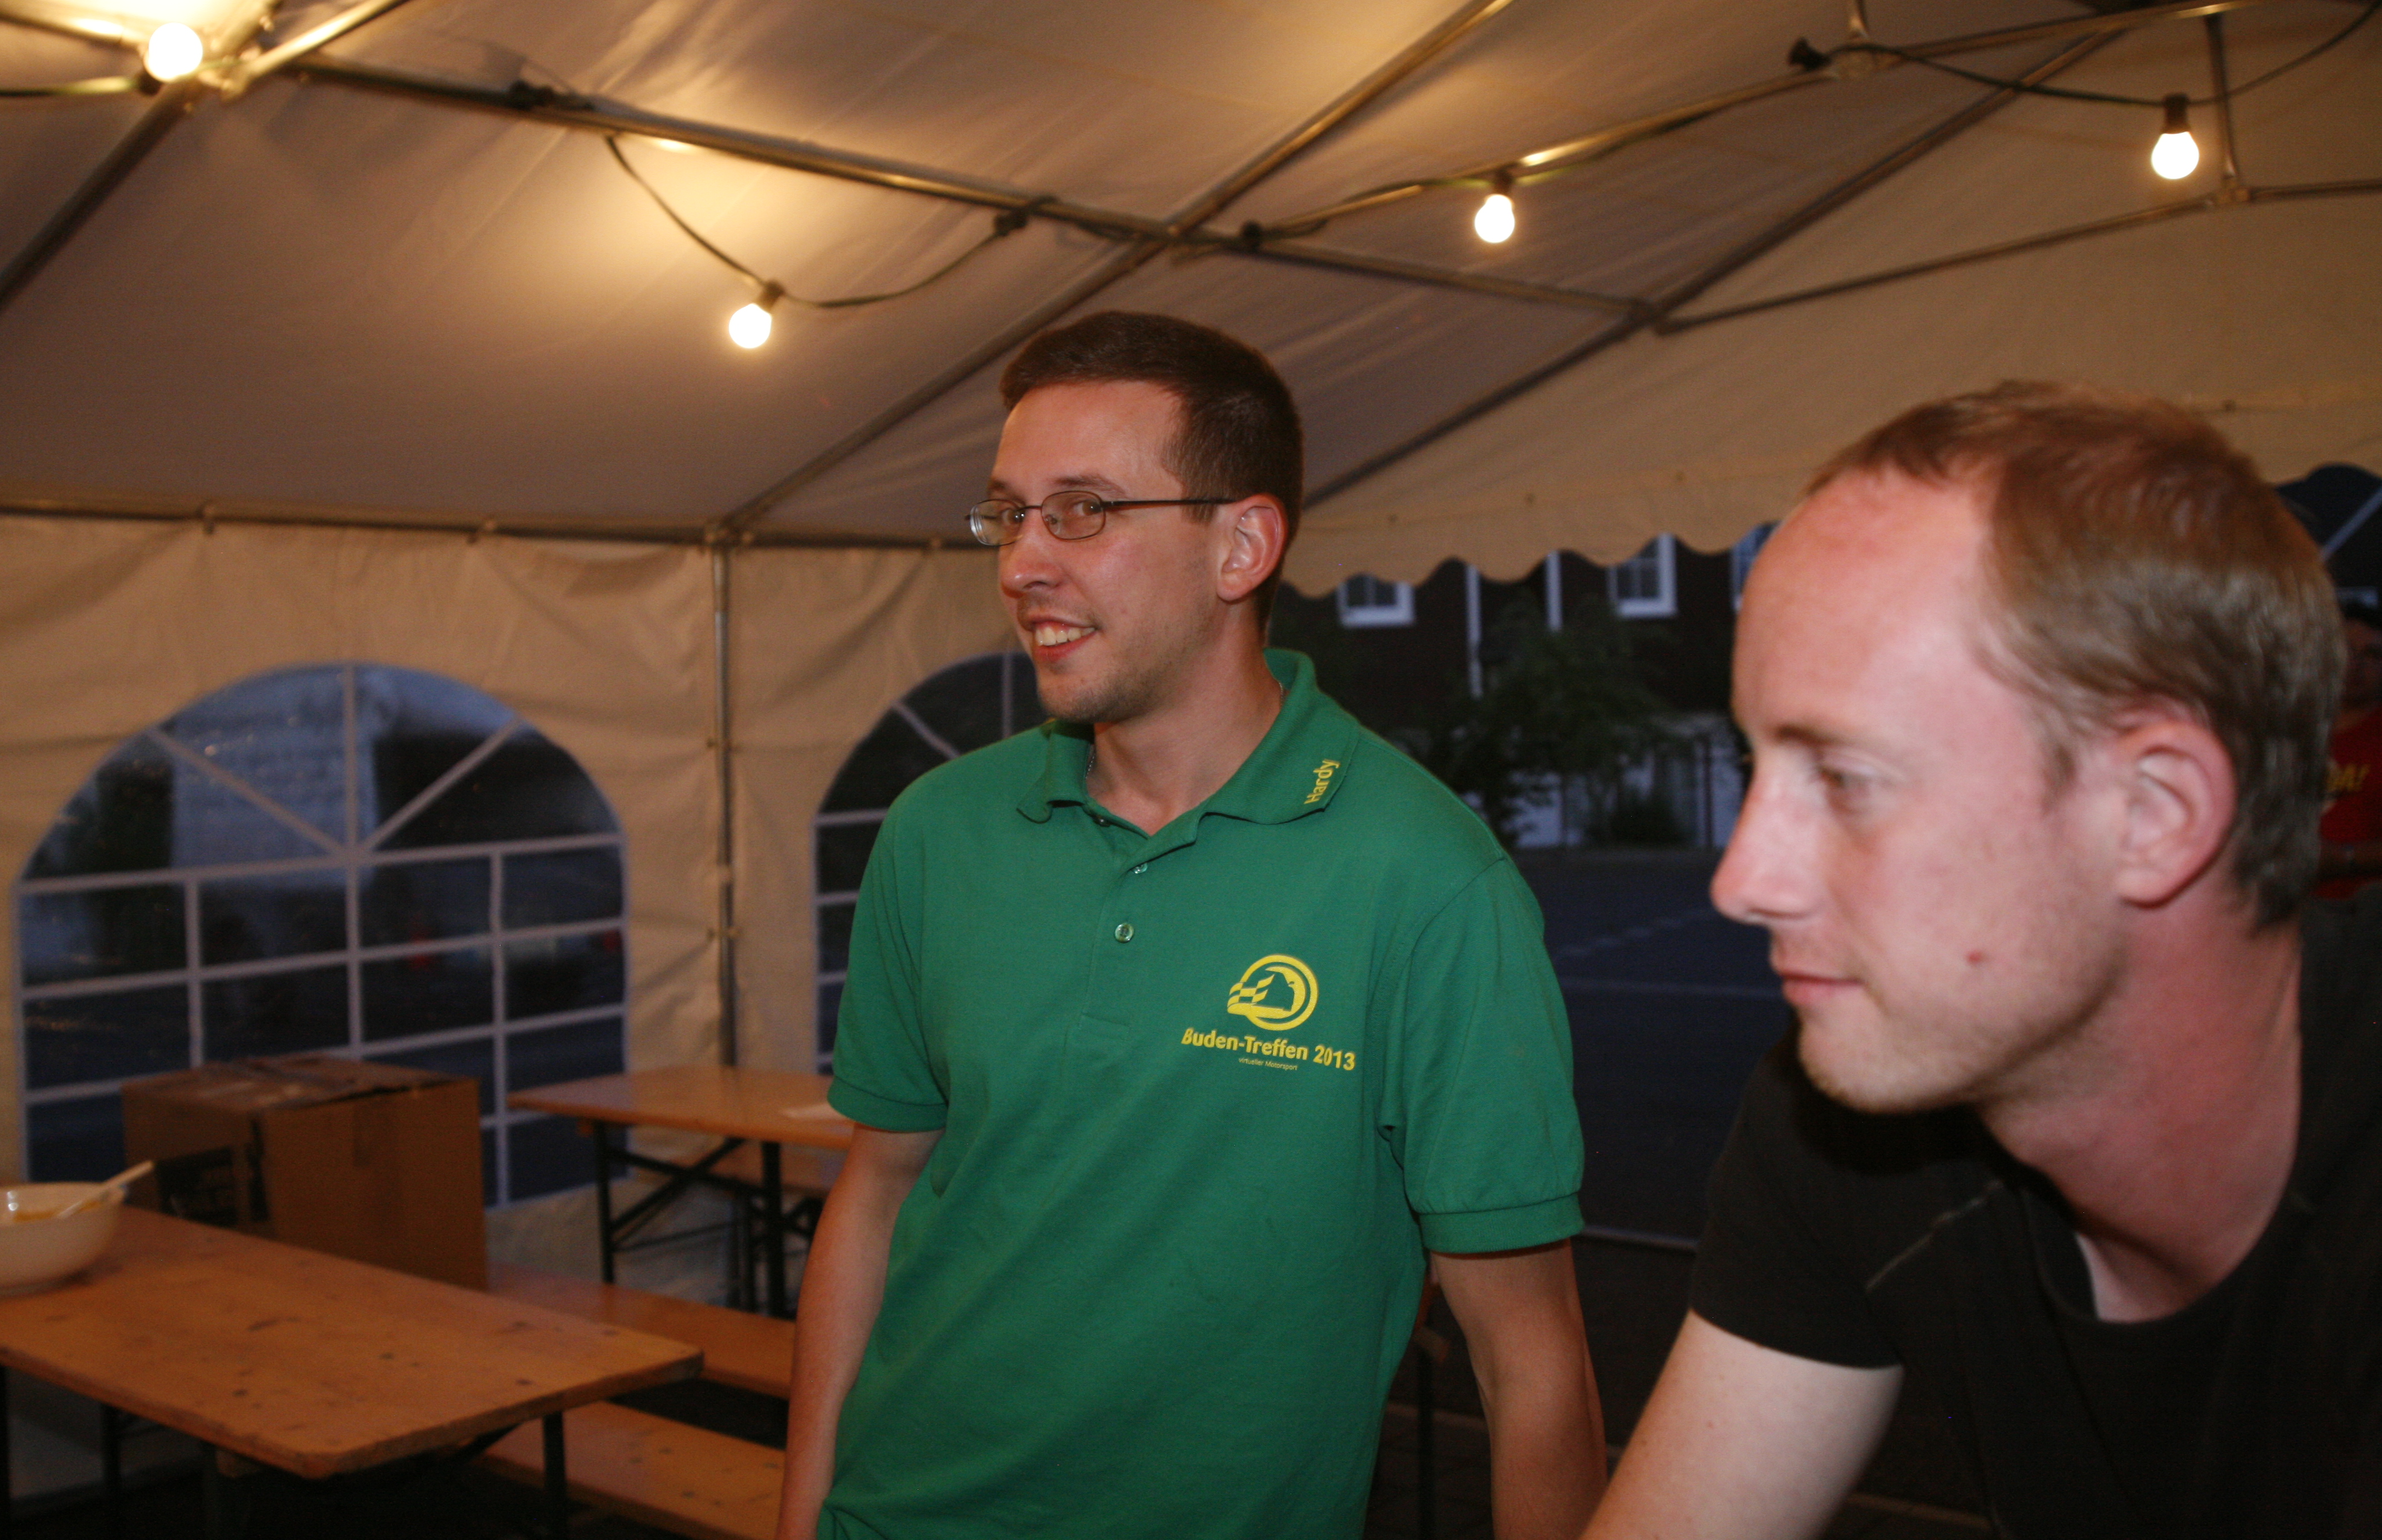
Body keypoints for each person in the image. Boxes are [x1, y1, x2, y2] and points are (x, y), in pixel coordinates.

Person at [778, 311, 1605, 1540]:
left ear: (1242, 545)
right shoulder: (938, 829)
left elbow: (1531, 1361)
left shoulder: (1428, 880)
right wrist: (803, 1517)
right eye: (1008, 514)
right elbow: (877, 1194)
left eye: (1082, 510)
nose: (1020, 563)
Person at [1583, 382, 2382, 1540]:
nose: (1741, 879)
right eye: (1757, 766)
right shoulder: (1849, 1113)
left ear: (2152, 813)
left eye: (1844, 778)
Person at [2317, 606, 2382, 898]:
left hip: (2367, 906)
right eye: (2347, 651)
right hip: (2289, 907)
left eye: (2373, 655)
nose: (2356, 665)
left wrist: (2346, 859)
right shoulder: (2291, 733)